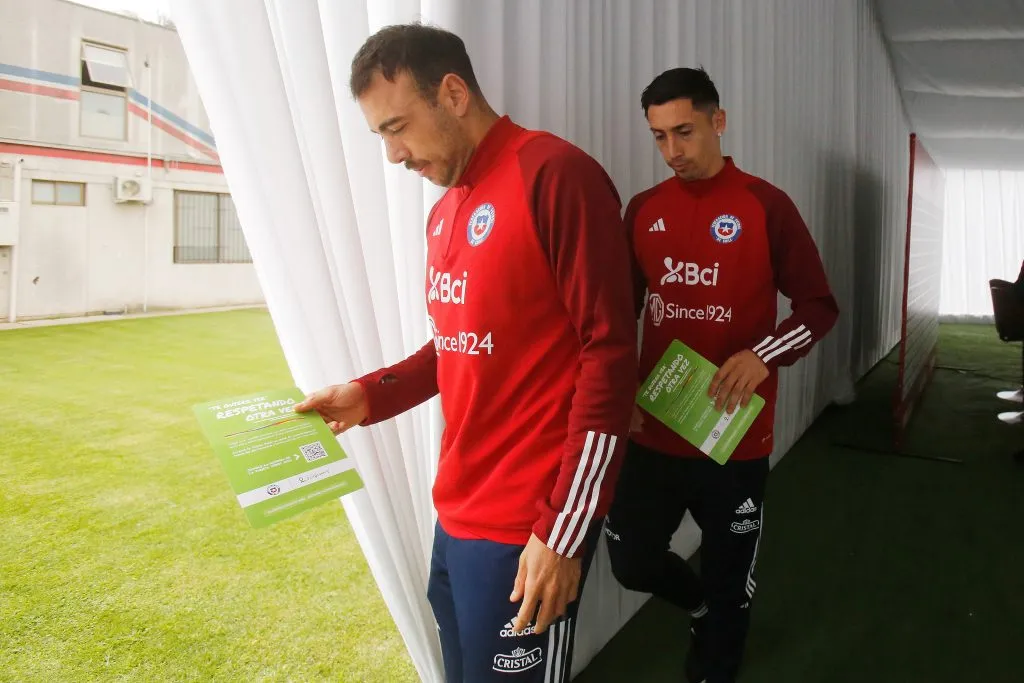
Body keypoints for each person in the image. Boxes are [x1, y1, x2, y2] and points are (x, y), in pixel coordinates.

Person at [296, 23, 638, 683]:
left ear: (452, 93)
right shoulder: (445, 210)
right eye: (381, 136)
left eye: (398, 127)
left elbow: (610, 354)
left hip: (529, 524)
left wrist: (565, 530)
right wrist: (371, 393)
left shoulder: (557, 175)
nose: (394, 154)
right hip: (455, 515)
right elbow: (458, 343)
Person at [604, 67, 840, 683]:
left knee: (732, 579)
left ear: (719, 121)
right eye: (659, 137)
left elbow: (818, 307)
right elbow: (620, 312)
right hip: (652, 431)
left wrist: (764, 353)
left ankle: (714, 657)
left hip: (733, 438)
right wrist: (620, 387)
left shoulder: (766, 205)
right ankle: (700, 604)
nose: (673, 151)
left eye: (684, 131)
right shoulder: (643, 210)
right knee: (631, 562)